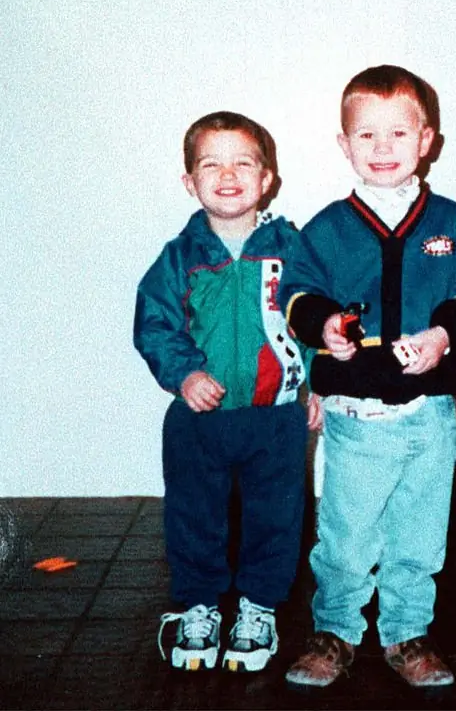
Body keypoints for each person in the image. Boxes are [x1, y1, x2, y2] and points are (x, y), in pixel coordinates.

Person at [280, 65, 456, 691]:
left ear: (426, 140)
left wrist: (441, 338)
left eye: (398, 134)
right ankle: (335, 629)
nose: (382, 149)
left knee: (421, 534)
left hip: (430, 417)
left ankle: (407, 631)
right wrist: (322, 326)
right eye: (366, 136)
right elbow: (299, 291)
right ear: (344, 144)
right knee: (346, 535)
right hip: (354, 416)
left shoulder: (453, 224)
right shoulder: (324, 228)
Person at [134, 112, 312, 673]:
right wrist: (184, 374)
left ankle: (260, 607)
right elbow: (155, 324)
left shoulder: (295, 250)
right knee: (194, 513)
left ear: (267, 178)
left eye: (243, 163)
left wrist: (320, 387)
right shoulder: (178, 257)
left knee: (276, 514)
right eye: (211, 164)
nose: (228, 175)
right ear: (190, 182)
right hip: (198, 420)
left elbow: (320, 321)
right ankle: (198, 606)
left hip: (276, 416)